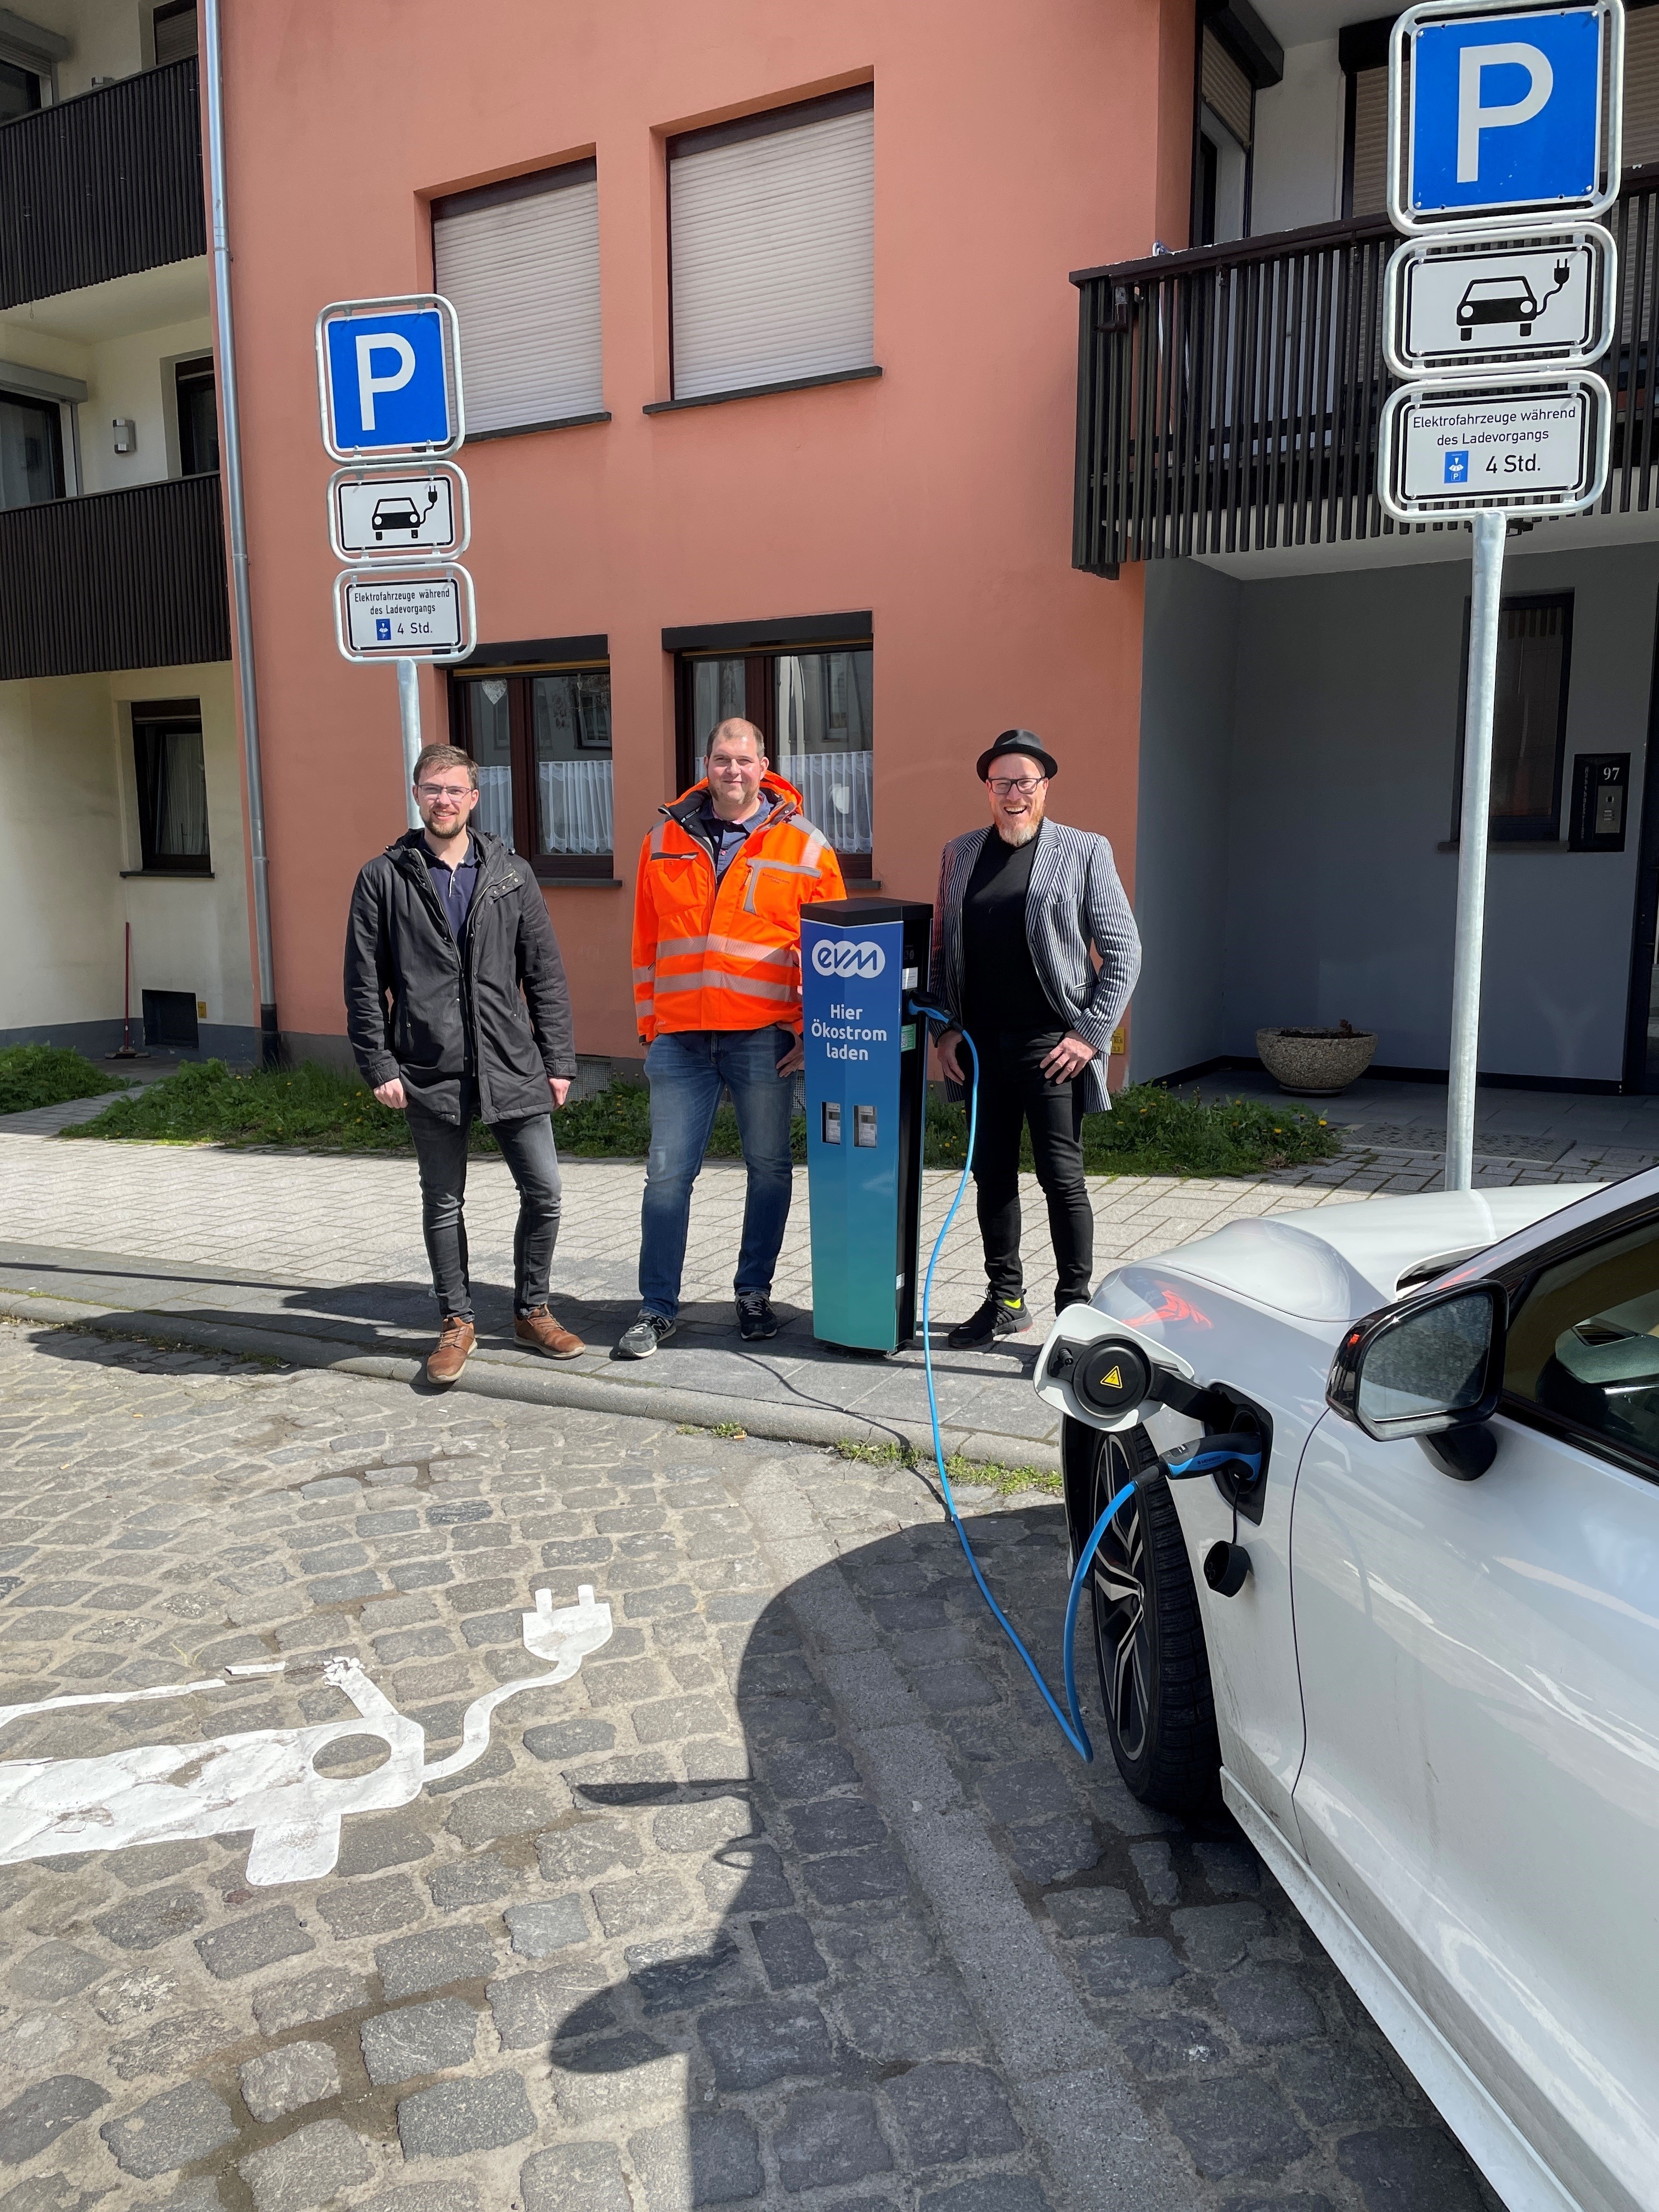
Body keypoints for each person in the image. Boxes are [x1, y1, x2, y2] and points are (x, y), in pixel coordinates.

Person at [344, 742, 584, 1385]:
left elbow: (545, 974)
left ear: (474, 799)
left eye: (455, 790)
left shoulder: (512, 874)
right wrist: (380, 1065)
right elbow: (364, 983)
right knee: (444, 1200)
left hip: (513, 1061)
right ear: (417, 795)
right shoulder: (384, 877)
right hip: (428, 1067)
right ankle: (457, 1321)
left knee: (546, 1193)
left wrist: (558, 1058)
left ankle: (533, 1310)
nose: (443, 799)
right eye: (432, 789)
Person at [619, 717, 846, 1357]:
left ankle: (753, 1295)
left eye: (744, 760)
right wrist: (649, 1021)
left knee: (770, 1170)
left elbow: (832, 947)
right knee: (666, 1177)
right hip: (681, 1040)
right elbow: (644, 940)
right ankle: (656, 1307)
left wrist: (810, 1028)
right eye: (722, 760)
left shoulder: (804, 845)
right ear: (706, 764)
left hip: (762, 1038)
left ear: (764, 764)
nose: (733, 771)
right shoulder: (663, 837)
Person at [931, 729, 1141, 1347]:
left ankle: (1074, 1316)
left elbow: (1124, 950)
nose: (1014, 793)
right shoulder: (960, 853)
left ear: (1045, 787)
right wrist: (947, 1029)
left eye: (1026, 781)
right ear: (988, 790)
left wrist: (1089, 1034)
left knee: (1062, 1179)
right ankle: (1006, 1302)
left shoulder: (1083, 851)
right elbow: (944, 951)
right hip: (978, 1050)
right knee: (992, 1177)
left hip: (1052, 1049)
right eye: (1003, 783)